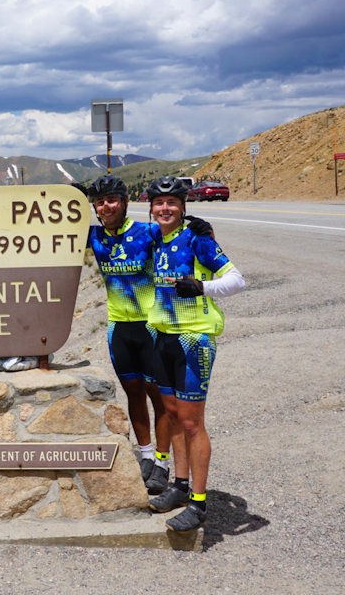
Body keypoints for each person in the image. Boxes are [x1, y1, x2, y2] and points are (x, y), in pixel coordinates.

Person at [84, 175, 203, 495]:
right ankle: (147, 455)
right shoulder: (93, 236)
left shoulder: (148, 231)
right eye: (100, 201)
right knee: (133, 393)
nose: (106, 206)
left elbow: (185, 242)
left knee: (159, 398)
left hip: (152, 325)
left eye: (112, 199)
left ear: (123, 202)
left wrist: (204, 230)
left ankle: (163, 463)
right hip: (118, 328)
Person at [144, 176, 245, 531]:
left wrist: (203, 286)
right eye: (159, 203)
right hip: (163, 336)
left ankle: (199, 505)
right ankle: (180, 487)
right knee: (171, 415)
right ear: (151, 208)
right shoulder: (154, 237)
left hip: (194, 340)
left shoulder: (198, 240)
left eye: (172, 203)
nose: (165, 209)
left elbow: (237, 280)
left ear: (184, 207)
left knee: (191, 422)